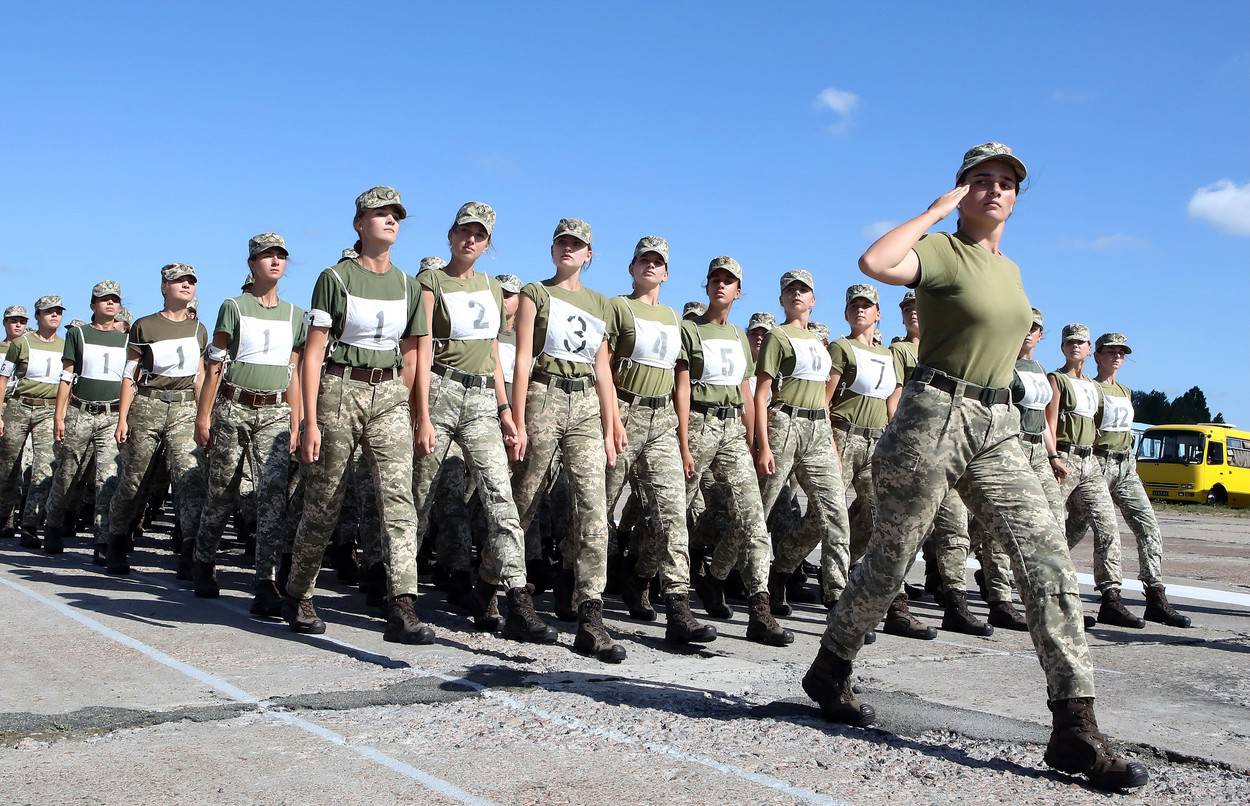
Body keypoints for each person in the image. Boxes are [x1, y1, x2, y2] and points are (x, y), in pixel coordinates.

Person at [802, 142, 1148, 791]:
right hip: (932, 412)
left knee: (1044, 554)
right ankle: (832, 665)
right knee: (891, 558)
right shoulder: (940, 251)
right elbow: (876, 261)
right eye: (980, 180)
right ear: (964, 190)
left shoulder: (1011, 271)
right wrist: (938, 209)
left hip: (997, 424)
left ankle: (1074, 725)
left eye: (1006, 183)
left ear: (1016, 198)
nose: (995, 190)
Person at [284, 186, 431, 644]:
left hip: (387, 391)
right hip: (339, 389)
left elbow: (413, 355)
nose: (390, 221)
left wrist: (416, 412)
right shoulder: (335, 277)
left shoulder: (411, 286)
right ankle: (299, 592)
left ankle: (402, 605)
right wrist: (308, 420)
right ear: (358, 224)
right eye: (379, 214)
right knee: (325, 498)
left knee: (398, 501)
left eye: (396, 216)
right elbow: (312, 355)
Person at [410, 202, 556, 644]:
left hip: (479, 400)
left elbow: (494, 352)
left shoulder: (493, 288)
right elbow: (419, 349)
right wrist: (419, 413)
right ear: (450, 235)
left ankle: (516, 601)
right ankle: (397, 589)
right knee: (419, 496)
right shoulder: (430, 281)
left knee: (501, 499)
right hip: (439, 389)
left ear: (488, 244)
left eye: (479, 234)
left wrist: (506, 411)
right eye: (463, 231)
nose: (470, 239)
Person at [510, 218, 625, 662]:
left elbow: (603, 371)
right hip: (544, 394)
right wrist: (517, 419)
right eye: (561, 242)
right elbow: (522, 359)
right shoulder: (535, 294)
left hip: (586, 405)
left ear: (589, 254)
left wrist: (612, 422)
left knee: (595, 507)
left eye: (577, 245)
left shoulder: (601, 304)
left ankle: (590, 615)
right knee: (526, 495)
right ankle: (501, 584)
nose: (568, 250)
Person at [604, 236, 716, 645]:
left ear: (666, 273)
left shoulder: (674, 319)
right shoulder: (618, 307)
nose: (650, 266)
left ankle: (678, 608)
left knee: (673, 513)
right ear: (631, 268)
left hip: (662, 420)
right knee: (599, 508)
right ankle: (575, 584)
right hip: (624, 412)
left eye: (657, 262)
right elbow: (606, 366)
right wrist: (611, 419)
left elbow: (680, 383)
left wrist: (683, 441)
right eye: (643, 260)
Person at [678, 256, 791, 645]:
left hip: (731, 429)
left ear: (738, 291)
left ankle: (760, 611)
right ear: (707, 286)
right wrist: (681, 440)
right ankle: (642, 577)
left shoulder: (741, 337)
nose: (721, 286)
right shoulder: (690, 331)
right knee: (678, 513)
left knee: (752, 519)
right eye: (715, 280)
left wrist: (757, 441)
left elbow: (746, 391)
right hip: (697, 423)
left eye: (729, 282)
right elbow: (682, 387)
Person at [191, 233, 305, 616]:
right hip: (234, 406)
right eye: (266, 256)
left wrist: (298, 416)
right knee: (222, 490)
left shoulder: (295, 315)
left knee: (272, 497)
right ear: (251, 264)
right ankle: (204, 561)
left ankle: (265, 582)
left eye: (280, 257)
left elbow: (294, 370)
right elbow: (214, 366)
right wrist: (203, 416)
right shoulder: (233, 307)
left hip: (274, 412)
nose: (275, 262)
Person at [824, 283, 936, 640]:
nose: (860, 310)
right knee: (827, 519)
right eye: (854, 305)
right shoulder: (842, 347)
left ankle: (892, 605)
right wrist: (831, 446)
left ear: (878, 312)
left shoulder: (887, 356)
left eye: (867, 305)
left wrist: (895, 440)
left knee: (882, 521)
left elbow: (892, 401)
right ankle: (788, 571)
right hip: (843, 434)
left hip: (877, 442)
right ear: (846, 312)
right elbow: (826, 401)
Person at [1066, 332, 1191, 628]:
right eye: (1110, 351)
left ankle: (1155, 596)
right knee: (1076, 529)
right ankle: (1030, 573)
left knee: (1148, 526)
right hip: (1097, 462)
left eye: (1121, 352)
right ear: (1097, 355)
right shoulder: (1090, 388)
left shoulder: (1125, 391)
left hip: (1125, 466)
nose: (1117, 356)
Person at [753, 270, 848, 620]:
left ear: (813, 299)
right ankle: (721, 574)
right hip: (784, 422)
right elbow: (762, 394)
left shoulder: (821, 343)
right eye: (789, 290)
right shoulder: (777, 337)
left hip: (818, 428)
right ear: (781, 299)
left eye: (803, 289)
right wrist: (763, 446)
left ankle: (837, 599)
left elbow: (825, 397)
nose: (796, 294)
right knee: (759, 510)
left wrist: (833, 445)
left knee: (834, 513)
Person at [105, 265, 208, 575]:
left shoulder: (199, 329)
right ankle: (116, 541)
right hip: (148, 404)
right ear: (164, 287)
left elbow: (201, 376)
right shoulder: (144, 326)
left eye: (191, 281)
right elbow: (129, 375)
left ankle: (190, 550)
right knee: (134, 478)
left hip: (184, 407)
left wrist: (204, 415)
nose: (186, 285)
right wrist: (122, 418)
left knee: (189, 478)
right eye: (179, 281)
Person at [1047, 324, 1144, 628]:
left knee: (1107, 529)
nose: (1075, 346)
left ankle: (1111, 598)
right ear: (1063, 347)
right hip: (1063, 457)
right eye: (1070, 342)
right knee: (1051, 530)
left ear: (1089, 349)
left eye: (1081, 343)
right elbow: (1049, 423)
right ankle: (1047, 596)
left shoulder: (1092, 386)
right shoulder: (1057, 379)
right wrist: (1052, 456)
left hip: (1090, 463)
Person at [43, 282, 128, 560]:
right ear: (93, 304)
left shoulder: (127, 338)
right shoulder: (78, 334)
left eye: (115, 299)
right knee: (67, 472)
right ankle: (52, 525)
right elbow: (67, 376)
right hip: (80, 412)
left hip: (111, 414)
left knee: (107, 479)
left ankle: (102, 541)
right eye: (104, 299)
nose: (110, 304)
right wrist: (59, 415)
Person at [0, 296, 66, 547]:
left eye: (58, 312)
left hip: (48, 411)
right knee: (9, 463)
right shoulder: (21, 343)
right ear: (38, 316)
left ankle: (30, 524)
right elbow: (3, 379)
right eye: (49, 312)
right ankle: (5, 515)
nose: (54, 316)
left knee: (44, 466)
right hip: (19, 406)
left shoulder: (65, 345)